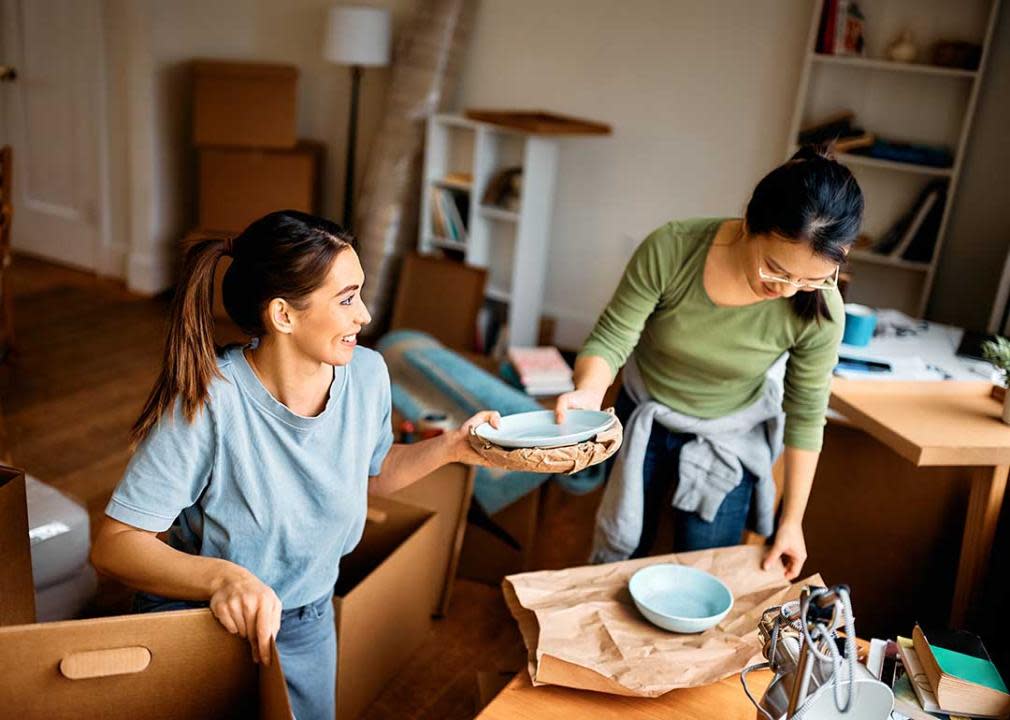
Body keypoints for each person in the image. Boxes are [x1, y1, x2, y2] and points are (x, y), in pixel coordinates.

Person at [90, 210, 500, 720]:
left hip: (306, 617)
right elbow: (114, 546)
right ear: (283, 315)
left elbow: (369, 475)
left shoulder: (368, 375)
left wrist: (454, 447)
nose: (365, 316)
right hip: (198, 622)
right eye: (347, 299)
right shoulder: (207, 402)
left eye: (360, 295)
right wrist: (223, 580)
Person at [555, 144, 863, 579]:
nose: (790, 290)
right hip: (645, 410)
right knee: (622, 561)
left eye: (812, 279)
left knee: (702, 571)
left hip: (728, 435)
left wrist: (791, 523)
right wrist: (588, 392)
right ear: (750, 223)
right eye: (776, 270)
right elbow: (612, 337)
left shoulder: (822, 311)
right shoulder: (673, 247)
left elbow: (807, 416)